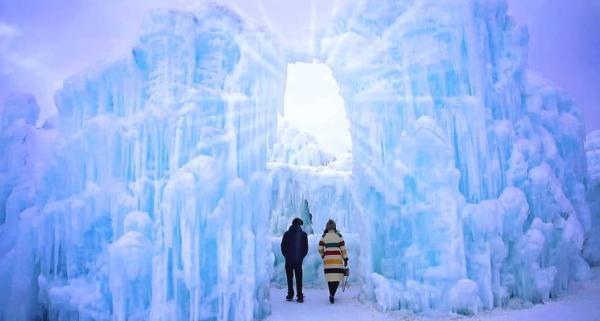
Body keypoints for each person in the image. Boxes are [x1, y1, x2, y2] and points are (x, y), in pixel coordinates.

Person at [318, 219, 348, 304]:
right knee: (337, 277)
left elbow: (319, 248)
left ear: (327, 227)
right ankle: (332, 294)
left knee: (330, 277)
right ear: (334, 227)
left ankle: (331, 293)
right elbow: (343, 249)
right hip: (337, 260)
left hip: (328, 260)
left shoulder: (324, 236)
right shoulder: (339, 235)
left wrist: (323, 255)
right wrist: (345, 259)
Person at [280, 217, 309, 303]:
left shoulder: (286, 234)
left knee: (289, 277)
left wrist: (286, 256)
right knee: (299, 278)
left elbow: (283, 247)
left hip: (288, 260)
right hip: (298, 261)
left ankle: (290, 294)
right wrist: (301, 257)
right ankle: (299, 296)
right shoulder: (303, 235)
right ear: (299, 225)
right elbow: (305, 248)